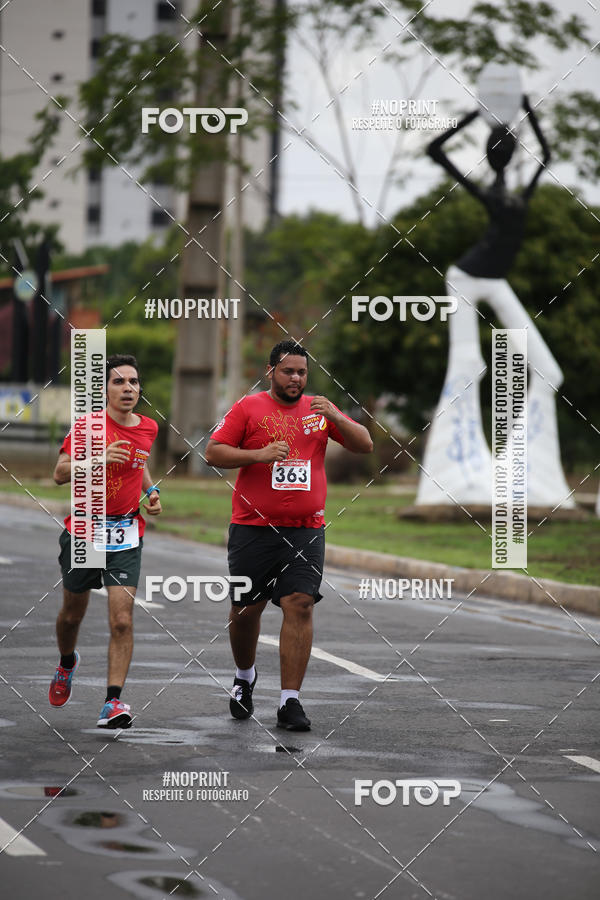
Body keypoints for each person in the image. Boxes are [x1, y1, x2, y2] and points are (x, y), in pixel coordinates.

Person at [205, 341, 373, 731]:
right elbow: (213, 453)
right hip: (252, 528)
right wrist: (258, 455)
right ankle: (245, 677)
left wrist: (336, 416)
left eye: (301, 372)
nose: (295, 378)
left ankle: (290, 702)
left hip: (306, 531)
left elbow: (365, 444)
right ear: (271, 372)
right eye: (287, 371)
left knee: (300, 604)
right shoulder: (249, 408)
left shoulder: (319, 411)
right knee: (247, 609)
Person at [48, 354, 161, 729]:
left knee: (122, 621)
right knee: (71, 615)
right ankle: (67, 663)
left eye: (133, 381)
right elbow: (59, 474)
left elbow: (139, 461)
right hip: (84, 531)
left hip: (126, 533)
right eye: (119, 382)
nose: (128, 388)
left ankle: (112, 702)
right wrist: (97, 459)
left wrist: (151, 491)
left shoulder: (148, 427)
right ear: (104, 390)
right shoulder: (88, 427)